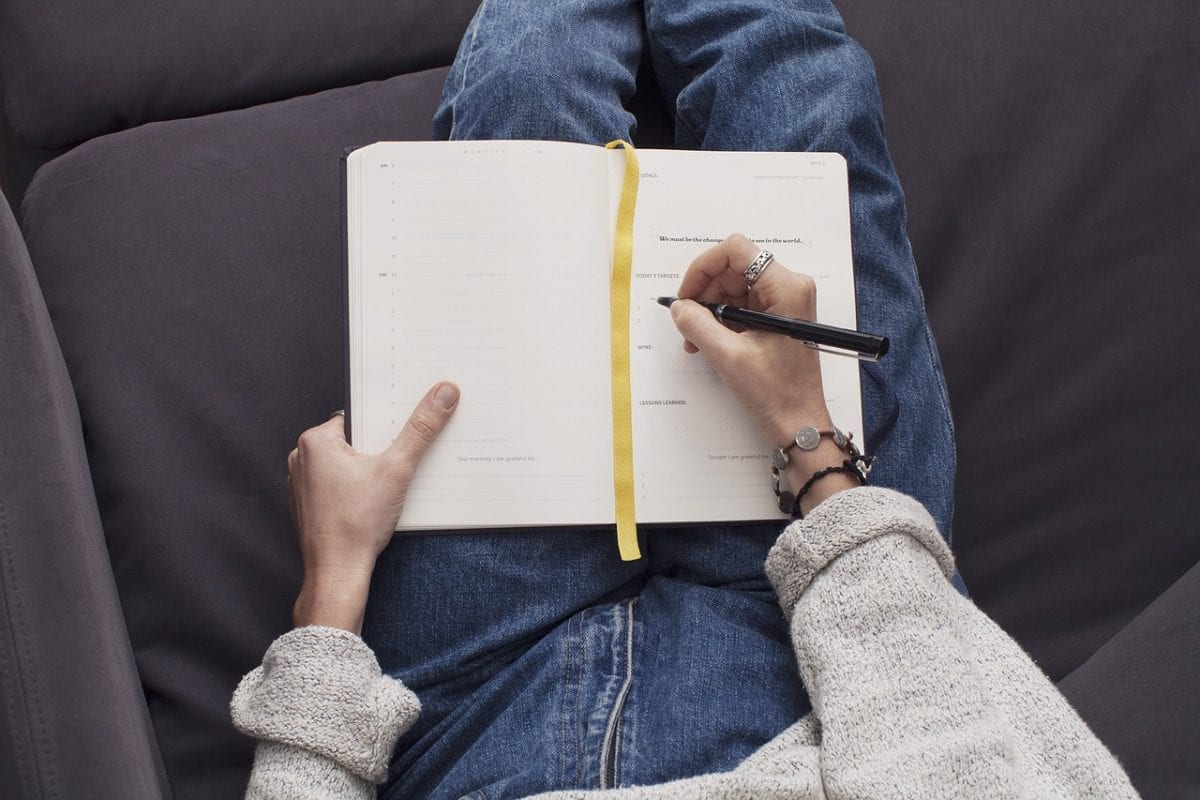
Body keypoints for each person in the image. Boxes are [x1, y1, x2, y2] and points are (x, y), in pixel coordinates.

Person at [230, 1, 1139, 798]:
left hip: (466, 716)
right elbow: (969, 760)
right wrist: (813, 450)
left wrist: (333, 587)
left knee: (528, 91)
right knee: (802, 99)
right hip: (810, 669)